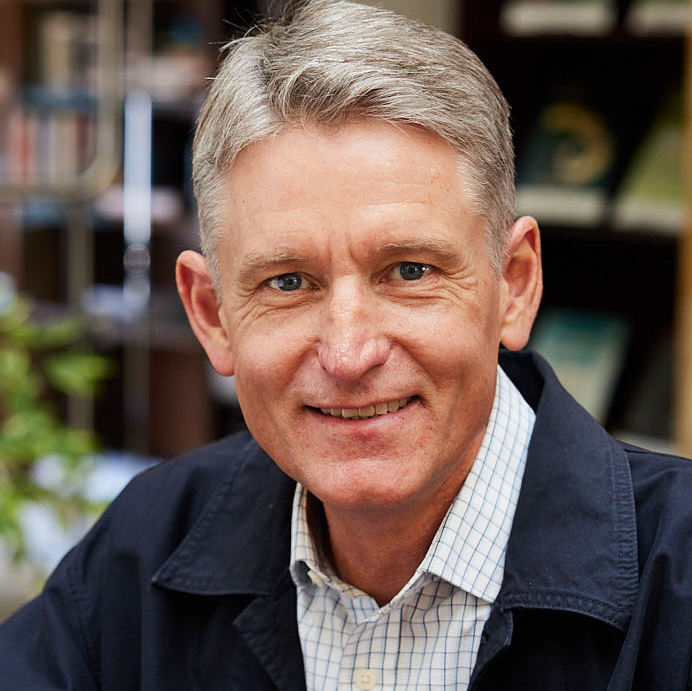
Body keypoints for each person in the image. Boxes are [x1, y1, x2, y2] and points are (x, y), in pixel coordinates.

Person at [2, 1, 692, 689]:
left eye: (410, 271)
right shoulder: (143, 549)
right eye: (289, 281)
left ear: (513, 285)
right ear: (212, 316)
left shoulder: (679, 579)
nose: (349, 352)